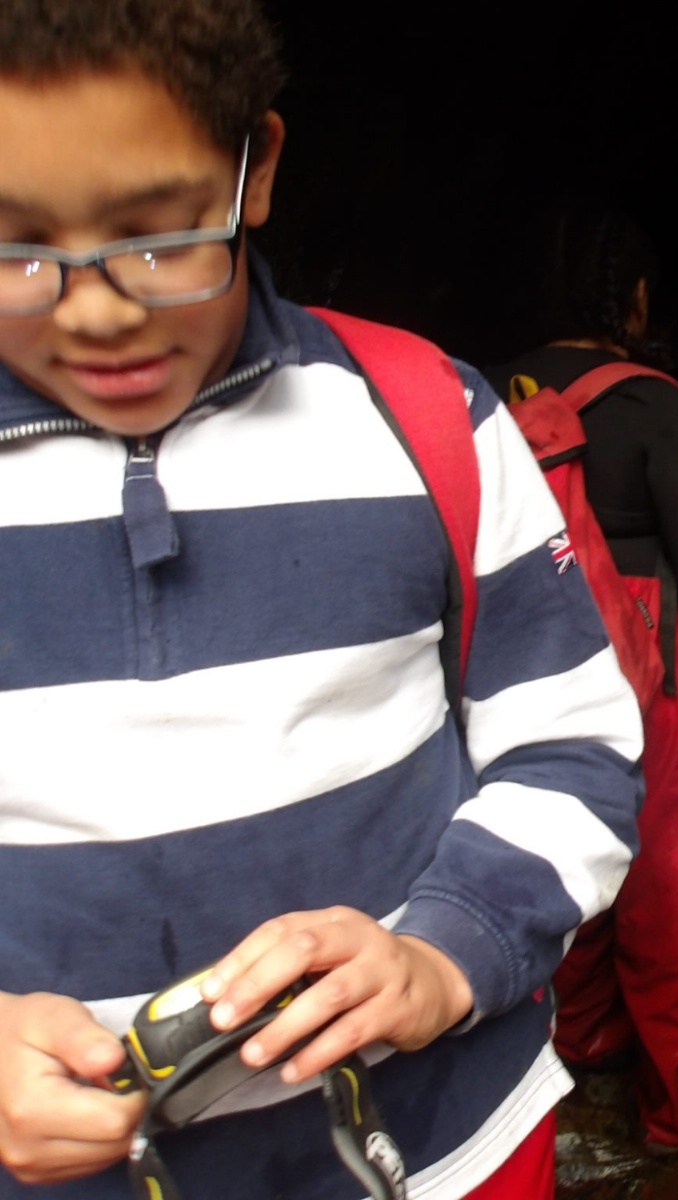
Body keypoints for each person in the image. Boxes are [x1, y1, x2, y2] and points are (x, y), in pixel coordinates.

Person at [0, 4, 643, 1198]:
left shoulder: (428, 418)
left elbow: (572, 742)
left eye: (158, 233)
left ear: (257, 168)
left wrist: (442, 957)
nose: (96, 309)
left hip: (442, 1148)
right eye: (15, 248)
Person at [492, 207, 678, 1154]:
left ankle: (583, 1044)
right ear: (636, 300)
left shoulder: (486, 397)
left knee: (557, 853)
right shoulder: (654, 405)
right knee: (669, 883)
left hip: (530, 663)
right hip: (653, 671)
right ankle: (672, 1114)